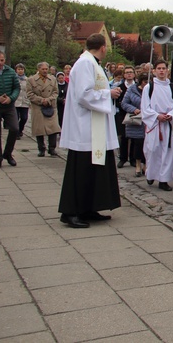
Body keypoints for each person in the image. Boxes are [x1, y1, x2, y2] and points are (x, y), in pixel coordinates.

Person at [57, 33, 122, 228]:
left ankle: (87, 208)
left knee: (94, 170)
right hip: (85, 129)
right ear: (103, 47)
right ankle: (70, 212)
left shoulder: (92, 63)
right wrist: (108, 93)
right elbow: (84, 95)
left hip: (94, 127)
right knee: (81, 170)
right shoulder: (85, 64)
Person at [142, 59, 173, 191]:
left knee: (167, 152)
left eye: (164, 68)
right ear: (154, 71)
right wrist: (157, 116)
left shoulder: (172, 88)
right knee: (153, 150)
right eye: (159, 68)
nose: (162, 71)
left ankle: (164, 180)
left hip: (167, 124)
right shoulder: (149, 88)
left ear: (167, 71)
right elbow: (145, 107)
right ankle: (151, 173)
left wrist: (171, 114)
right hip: (155, 124)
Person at [26, 62, 61, 157]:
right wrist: (41, 100)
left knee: (53, 128)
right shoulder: (31, 80)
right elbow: (29, 94)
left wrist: (48, 100)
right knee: (39, 129)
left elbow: (55, 92)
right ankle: (41, 149)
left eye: (46, 69)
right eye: (43, 69)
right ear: (38, 69)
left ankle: (52, 148)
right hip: (38, 107)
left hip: (50, 106)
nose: (45, 71)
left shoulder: (53, 79)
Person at [121, 73, 148, 178]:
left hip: (148, 121)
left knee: (147, 143)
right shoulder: (132, 90)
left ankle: (146, 165)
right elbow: (124, 103)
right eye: (144, 82)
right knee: (138, 143)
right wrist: (134, 109)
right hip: (137, 120)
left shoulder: (152, 90)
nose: (146, 84)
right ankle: (137, 164)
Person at [115, 66, 137, 169]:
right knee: (123, 137)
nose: (129, 74)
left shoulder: (137, 86)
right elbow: (118, 102)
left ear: (134, 74)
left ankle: (133, 159)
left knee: (134, 137)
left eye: (131, 72)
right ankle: (123, 158)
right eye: (127, 72)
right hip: (123, 114)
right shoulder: (120, 87)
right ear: (124, 75)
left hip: (136, 114)